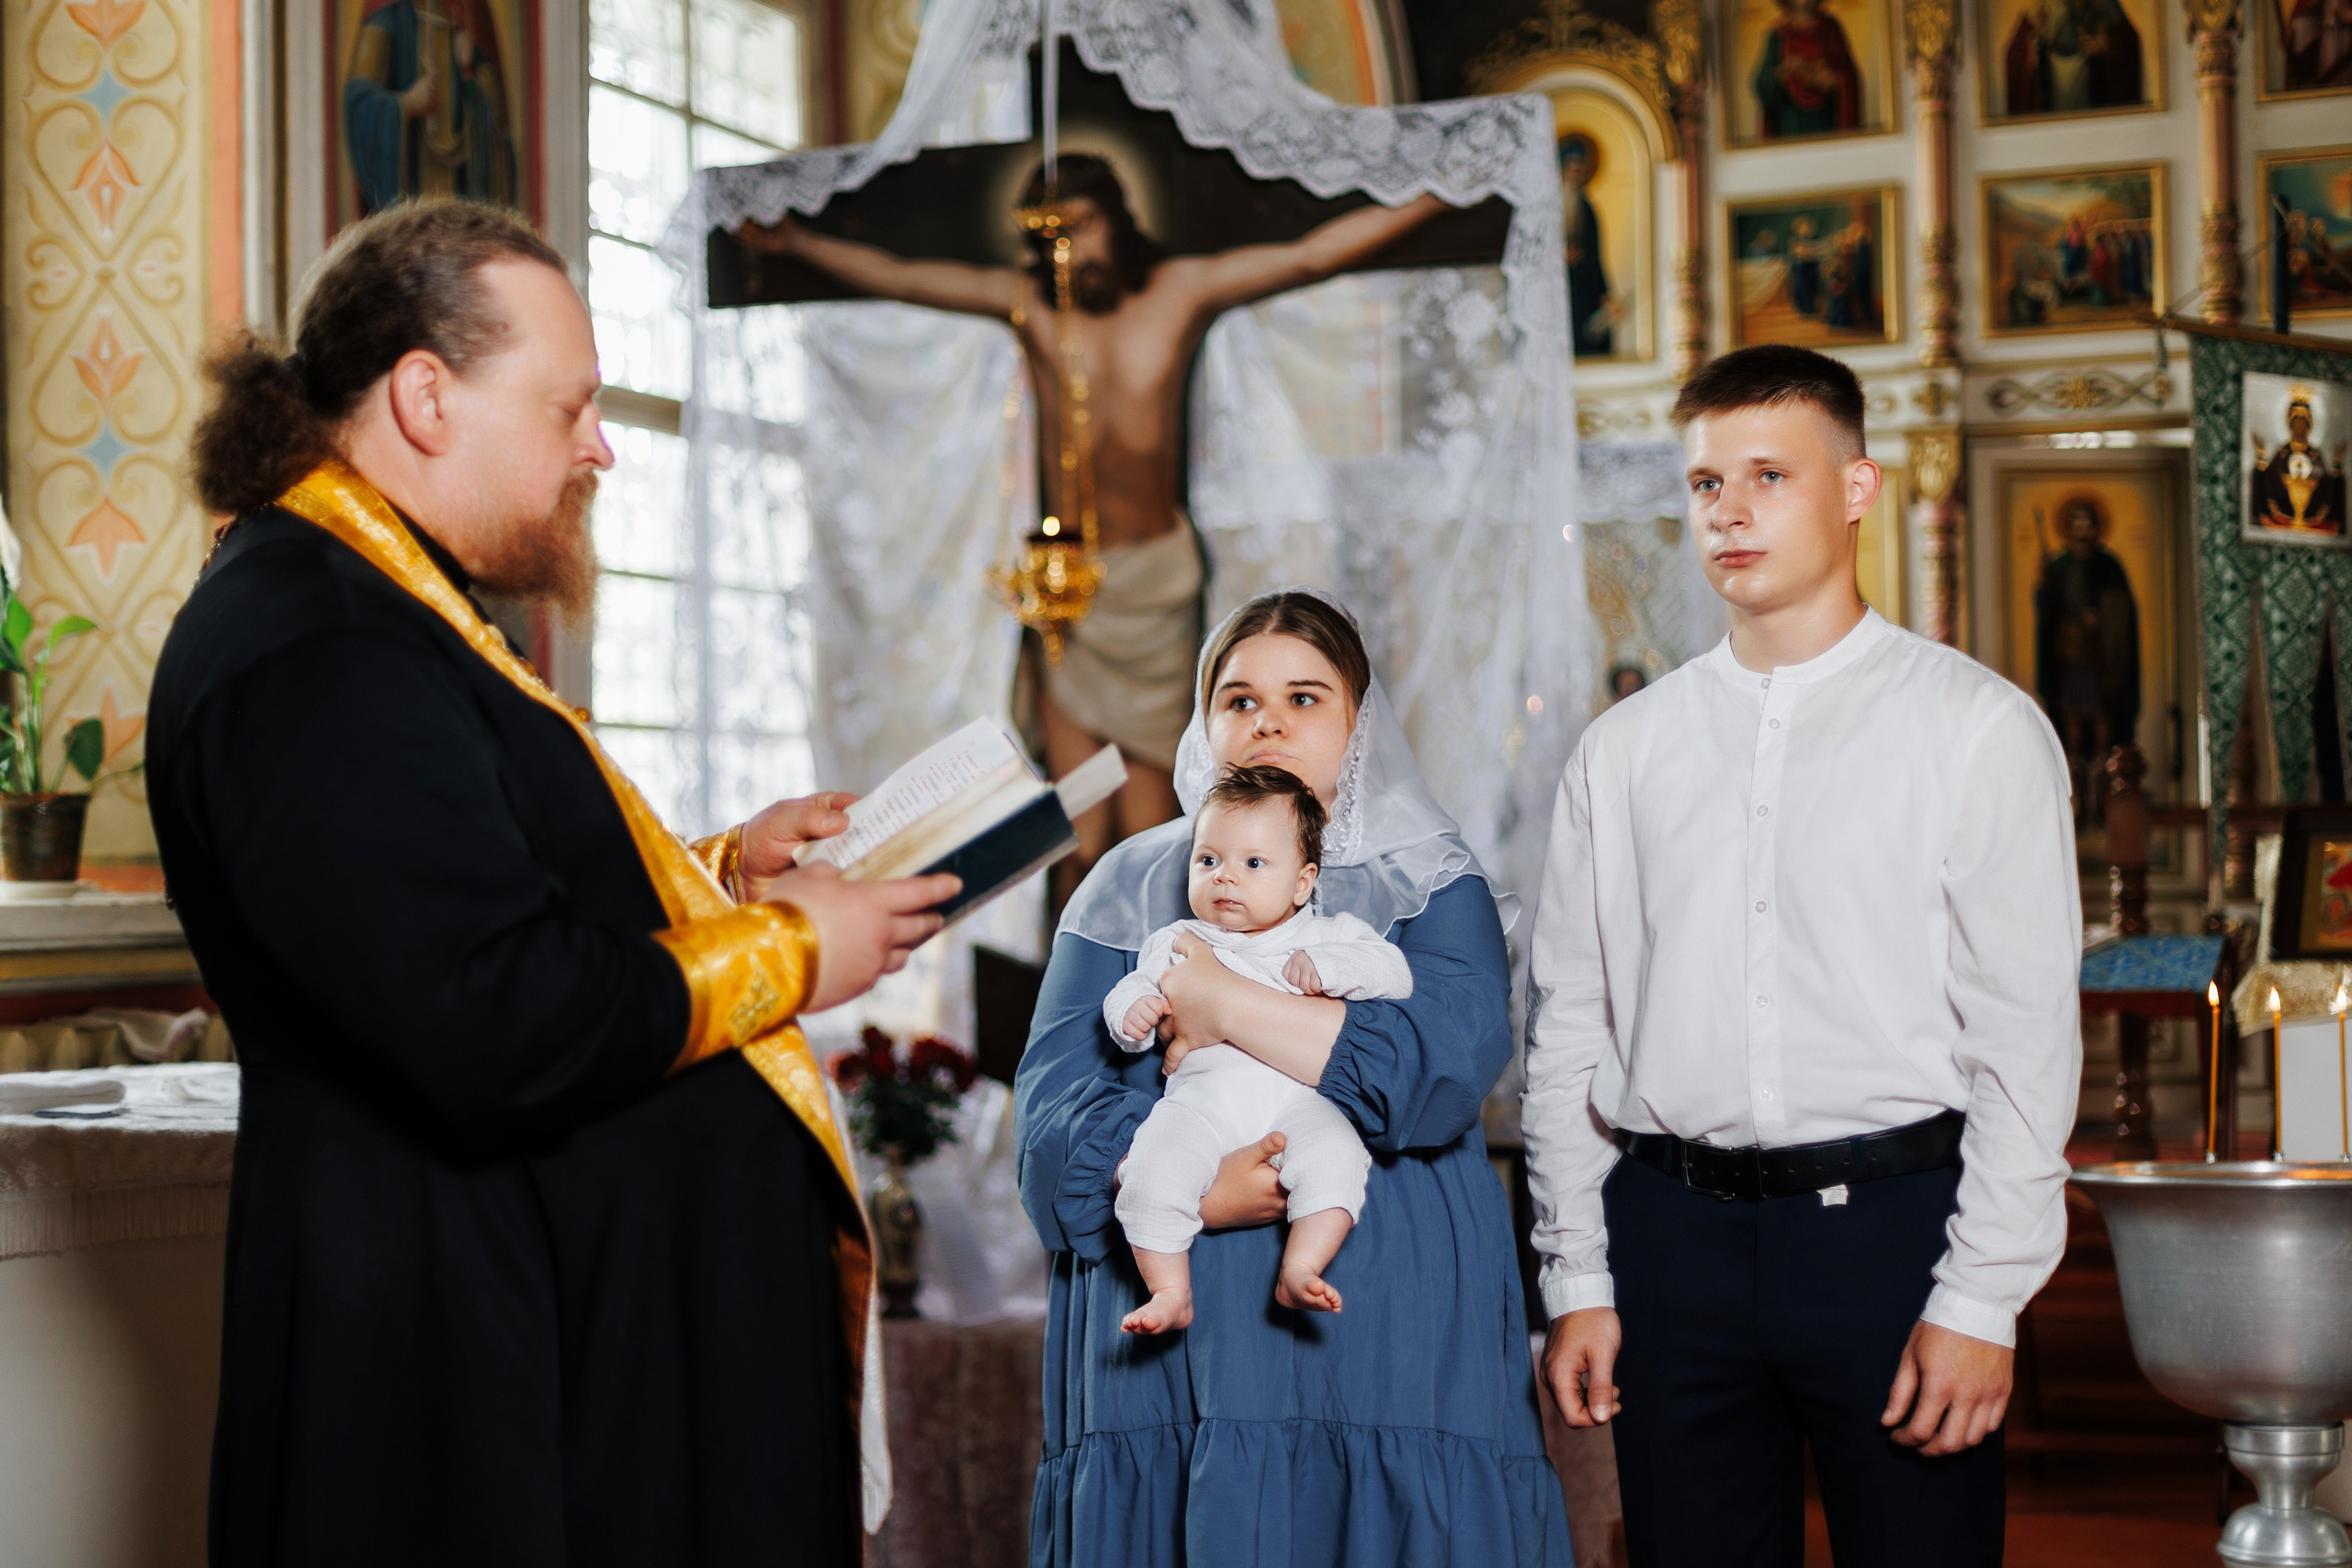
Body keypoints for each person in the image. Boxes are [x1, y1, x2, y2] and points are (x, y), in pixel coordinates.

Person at [156, 199, 960, 1566]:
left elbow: (464, 892)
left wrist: (714, 869)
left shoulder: (383, 600)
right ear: (425, 395)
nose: (597, 444)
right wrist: (787, 945)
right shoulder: (314, 632)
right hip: (463, 1364)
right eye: (568, 406)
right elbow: (487, 1007)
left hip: (530, 1334)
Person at [1525, 344, 2081, 1567]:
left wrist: (1982, 1297)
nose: (1728, 510)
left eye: (1769, 474)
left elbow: (2026, 1042)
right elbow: (1574, 1027)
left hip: (1891, 1237)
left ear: (1858, 487)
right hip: (1670, 1238)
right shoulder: (1623, 752)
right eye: (1708, 481)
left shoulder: (1976, 728)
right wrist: (1579, 1273)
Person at [1016, 590, 1571, 1566]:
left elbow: (1435, 1077)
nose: (1266, 720)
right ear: (1204, 722)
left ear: (1361, 725)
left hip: (1385, 1333)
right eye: (1237, 699)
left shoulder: (1435, 883)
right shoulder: (1121, 886)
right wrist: (1202, 1190)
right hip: (1161, 1355)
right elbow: (1050, 1133)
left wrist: (1222, 1003)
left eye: (1305, 697)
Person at [737, 160, 1448, 901]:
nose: (1067, 251)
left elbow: (1307, 254)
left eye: (1081, 226)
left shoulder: (1177, 292)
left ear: (1117, 216)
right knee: (1077, 820)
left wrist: (1431, 198)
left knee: (1147, 823)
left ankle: (1156, 979)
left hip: (1153, 586)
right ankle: (1079, 979)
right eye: (1049, 235)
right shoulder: (1035, 307)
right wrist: (794, 244)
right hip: (1069, 592)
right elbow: (906, 277)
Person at [1102, 764, 1408, 1334]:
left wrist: (1334, 966)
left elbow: (1394, 972)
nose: (1225, 878)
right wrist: (1131, 1014)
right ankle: (1169, 1289)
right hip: (1201, 1104)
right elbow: (1132, 992)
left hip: (1296, 1102)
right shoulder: (1177, 941)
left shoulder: (1325, 934)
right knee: (1148, 1171)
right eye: (1209, 860)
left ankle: (1302, 1265)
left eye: (1252, 863)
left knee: (1337, 1155)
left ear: (1302, 882)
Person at [2034, 496, 2141, 817]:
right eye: (2076, 523)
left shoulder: (2109, 567)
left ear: (2096, 528)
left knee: (2103, 724)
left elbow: (2122, 611)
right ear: (2069, 528)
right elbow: (2047, 612)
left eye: (2087, 523)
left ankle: (2102, 794)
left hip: (2101, 659)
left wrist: (2102, 618)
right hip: (2070, 658)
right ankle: (2076, 798)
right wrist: (2044, 589)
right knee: (2073, 727)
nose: (2082, 529)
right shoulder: (2059, 566)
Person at [1750, 0, 1864, 139]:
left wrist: (1835, 80)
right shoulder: (1778, 34)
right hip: (1791, 123)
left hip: (1826, 121)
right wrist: (1785, 69)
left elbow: (1849, 74)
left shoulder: (1830, 28)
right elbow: (1762, 84)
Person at [2251, 386, 2346, 535]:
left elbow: (2327, 488)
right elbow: (2269, 481)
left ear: (2309, 426)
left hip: (2312, 520)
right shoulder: (2282, 454)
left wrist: (2337, 465)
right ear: (2290, 425)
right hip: (2282, 517)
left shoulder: (2315, 455)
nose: (2299, 427)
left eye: (2303, 423)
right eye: (2296, 423)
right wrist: (2261, 457)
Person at [1560, 134, 1615, 356]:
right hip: (1557, 284)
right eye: (1571, 165)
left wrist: (1604, 293)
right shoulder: (1546, 208)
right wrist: (1559, 256)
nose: (1575, 170)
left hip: (1583, 285)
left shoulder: (1586, 208)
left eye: (1579, 166)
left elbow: (1594, 255)